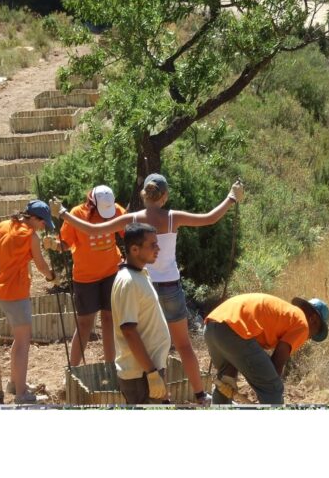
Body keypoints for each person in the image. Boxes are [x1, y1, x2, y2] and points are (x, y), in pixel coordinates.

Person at [50, 173, 244, 403]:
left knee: (142, 343)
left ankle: (146, 390)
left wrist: (62, 213)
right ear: (165, 196)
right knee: (183, 345)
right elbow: (210, 218)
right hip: (170, 287)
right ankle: (200, 394)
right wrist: (231, 197)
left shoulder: (133, 218)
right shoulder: (172, 217)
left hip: (143, 288)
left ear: (144, 195)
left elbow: (94, 231)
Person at [0, 199, 57, 405]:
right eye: (43, 222)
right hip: (17, 294)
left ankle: (14, 383)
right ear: (34, 218)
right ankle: (21, 394)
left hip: (2, 291)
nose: (43, 226)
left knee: (18, 341)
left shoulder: (3, 226)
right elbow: (40, 264)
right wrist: (51, 277)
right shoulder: (31, 236)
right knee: (22, 344)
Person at [203, 293, 329, 405]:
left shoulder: (288, 314)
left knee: (226, 382)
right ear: (313, 320)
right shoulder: (303, 324)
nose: (308, 338)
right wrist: (272, 388)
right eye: (313, 334)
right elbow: (278, 359)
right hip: (234, 330)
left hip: (212, 326)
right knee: (273, 388)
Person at [49, 185, 126, 366]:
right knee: (84, 324)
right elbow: (65, 243)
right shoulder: (77, 214)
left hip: (111, 273)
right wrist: (53, 245)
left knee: (109, 319)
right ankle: (73, 370)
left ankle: (110, 366)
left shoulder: (116, 211)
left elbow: (128, 233)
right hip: (85, 278)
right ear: (91, 204)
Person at [110, 222, 171, 405]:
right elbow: (129, 331)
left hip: (147, 370)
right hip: (141, 374)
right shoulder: (128, 282)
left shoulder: (140, 274)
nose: (158, 248)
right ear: (135, 249)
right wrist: (151, 373)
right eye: (152, 245)